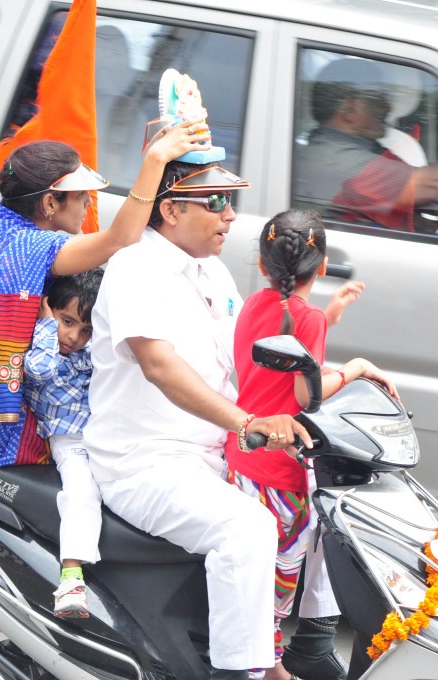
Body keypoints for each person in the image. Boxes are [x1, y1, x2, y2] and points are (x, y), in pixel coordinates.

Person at [83, 159, 312, 680]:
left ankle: (289, 654)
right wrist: (246, 422)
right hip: (147, 463)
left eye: (231, 202)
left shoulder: (212, 270)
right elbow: (159, 365)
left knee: (313, 510)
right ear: (170, 209)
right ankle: (243, 674)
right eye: (216, 203)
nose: (230, 216)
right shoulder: (135, 267)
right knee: (247, 528)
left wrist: (336, 377)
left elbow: (249, 356)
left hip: (214, 455)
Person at [0, 119, 207, 467]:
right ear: (50, 203)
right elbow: (119, 239)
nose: (89, 202)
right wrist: (155, 161)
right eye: (80, 195)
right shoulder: (28, 248)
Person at [224, 209, 398, 680]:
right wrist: (358, 367)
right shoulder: (307, 319)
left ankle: (266, 658)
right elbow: (305, 393)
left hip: (240, 455)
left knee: (250, 566)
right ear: (320, 268)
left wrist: (328, 318)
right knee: (280, 571)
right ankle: (269, 662)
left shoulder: (252, 305)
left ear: (262, 264)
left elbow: (277, 361)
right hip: (282, 471)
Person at [295, 58, 438, 232]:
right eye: (378, 98)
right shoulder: (337, 160)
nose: (387, 107)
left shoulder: (360, 148)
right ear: (349, 109)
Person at [23, 270, 104, 619]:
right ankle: (71, 578)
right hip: (71, 439)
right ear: (48, 310)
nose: (73, 336)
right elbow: (37, 371)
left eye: (86, 330)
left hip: (106, 433)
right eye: (66, 321)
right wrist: (44, 326)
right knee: (81, 490)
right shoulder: (43, 348)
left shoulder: (88, 353)